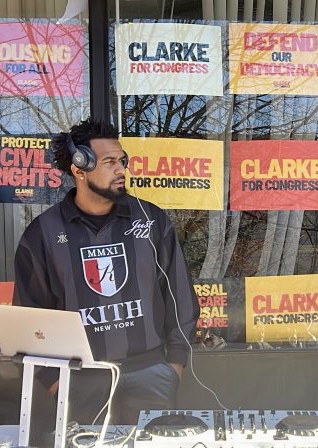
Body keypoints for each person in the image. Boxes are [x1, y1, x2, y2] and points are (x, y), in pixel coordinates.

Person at [13, 119, 199, 428]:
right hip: (81, 382)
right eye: (110, 162)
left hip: (151, 374)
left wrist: (173, 366)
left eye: (122, 160)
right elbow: (29, 319)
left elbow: (180, 297)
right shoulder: (42, 235)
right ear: (79, 167)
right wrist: (55, 384)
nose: (121, 169)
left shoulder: (151, 221)